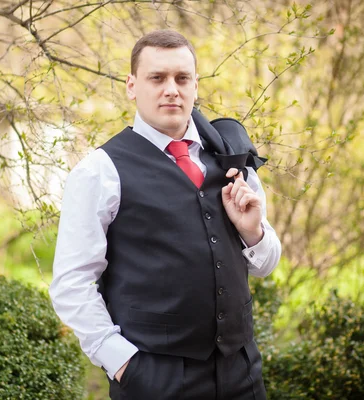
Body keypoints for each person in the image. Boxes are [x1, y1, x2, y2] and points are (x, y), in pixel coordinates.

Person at [49, 29, 281, 400]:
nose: (171, 89)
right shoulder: (100, 171)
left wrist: (253, 233)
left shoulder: (233, 159)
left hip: (242, 375)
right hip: (153, 379)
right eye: (157, 78)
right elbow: (71, 284)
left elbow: (265, 264)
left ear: (195, 85)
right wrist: (124, 364)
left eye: (181, 78)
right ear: (131, 85)